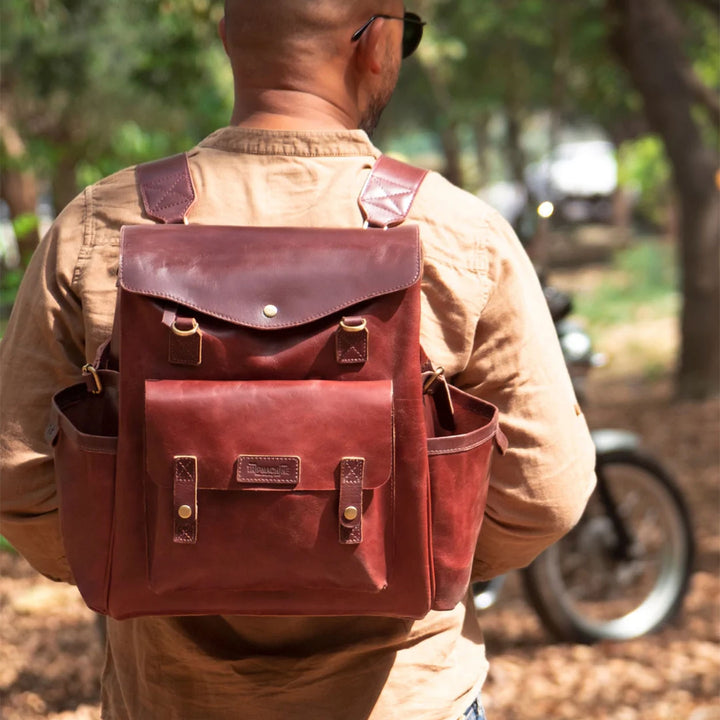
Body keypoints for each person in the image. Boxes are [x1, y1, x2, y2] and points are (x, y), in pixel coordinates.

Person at [0, 2, 596, 718]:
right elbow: (546, 491)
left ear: (228, 39)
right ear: (377, 41)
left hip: (172, 698)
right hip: (405, 699)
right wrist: (409, 560)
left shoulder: (101, 226)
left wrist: (150, 564)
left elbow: (20, 480)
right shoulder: (458, 235)